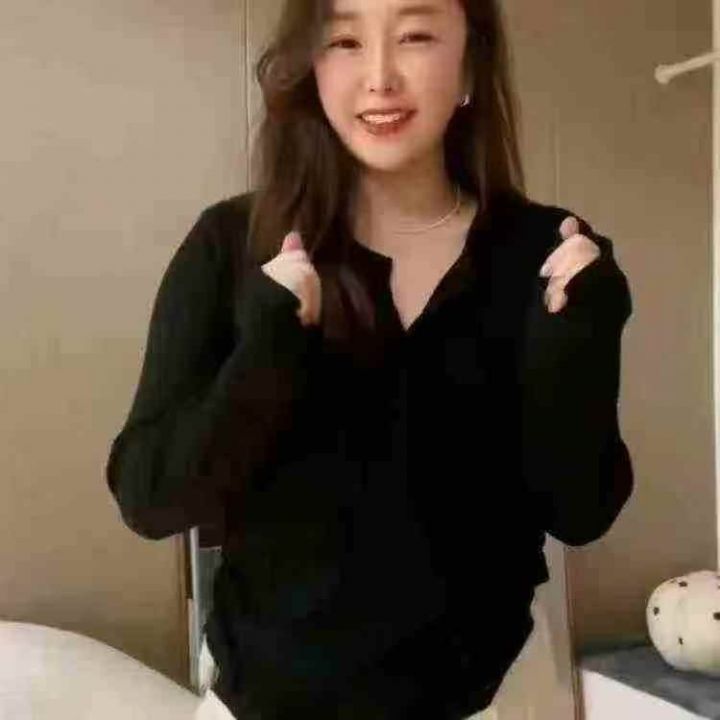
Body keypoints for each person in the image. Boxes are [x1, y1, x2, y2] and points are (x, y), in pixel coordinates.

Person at [105, 0, 635, 717]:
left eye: (415, 36)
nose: (380, 76)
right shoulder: (233, 244)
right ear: (312, 67)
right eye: (345, 41)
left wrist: (578, 344)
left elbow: (580, 511)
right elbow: (149, 498)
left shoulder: (546, 255)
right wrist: (268, 349)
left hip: (487, 700)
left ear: (469, 66)